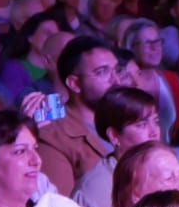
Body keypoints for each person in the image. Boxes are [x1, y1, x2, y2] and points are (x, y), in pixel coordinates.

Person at [72, 87, 165, 207]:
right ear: (114, 136)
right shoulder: (96, 187)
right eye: (142, 125)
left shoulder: (168, 168)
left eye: (156, 121)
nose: (154, 131)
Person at [37, 35, 121, 194]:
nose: (116, 80)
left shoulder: (125, 121)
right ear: (74, 83)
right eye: (102, 72)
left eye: (116, 70)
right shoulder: (53, 136)